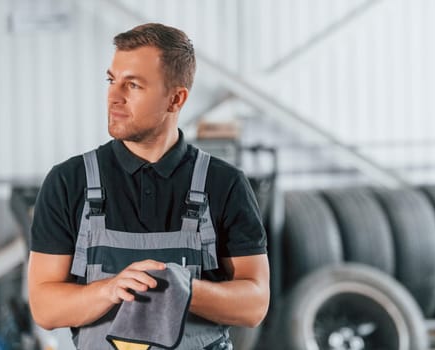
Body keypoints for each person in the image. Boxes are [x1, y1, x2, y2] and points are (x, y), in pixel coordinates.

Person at [28, 23, 270, 350]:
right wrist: (110, 289)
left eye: (134, 85)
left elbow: (255, 304)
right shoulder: (69, 182)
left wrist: (185, 289)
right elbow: (45, 307)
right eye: (112, 80)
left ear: (175, 99)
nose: (114, 96)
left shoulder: (223, 184)